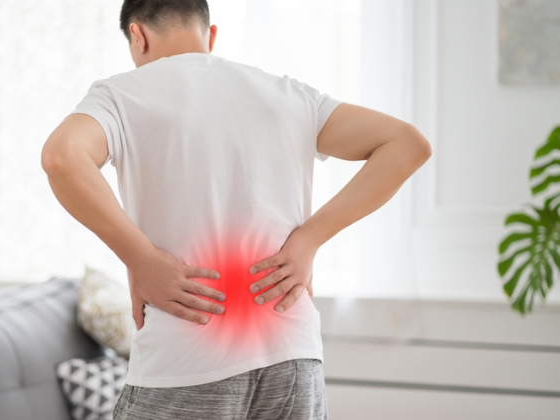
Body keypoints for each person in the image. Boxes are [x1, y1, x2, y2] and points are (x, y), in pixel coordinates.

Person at [41, 0, 431, 418]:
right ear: (209, 35)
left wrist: (139, 257)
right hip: (292, 356)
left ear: (138, 36)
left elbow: (62, 158)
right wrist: (309, 240)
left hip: (187, 357)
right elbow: (407, 144)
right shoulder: (287, 94)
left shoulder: (120, 95)